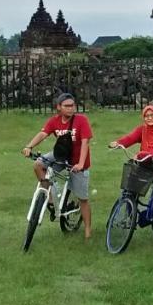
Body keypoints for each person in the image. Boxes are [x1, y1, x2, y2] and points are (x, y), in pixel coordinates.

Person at [21, 93, 93, 239]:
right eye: (66, 106)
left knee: (82, 199)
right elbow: (43, 134)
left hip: (78, 160)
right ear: (58, 107)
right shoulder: (54, 121)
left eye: (72, 105)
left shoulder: (81, 120)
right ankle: (51, 199)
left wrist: (80, 164)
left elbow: (85, 142)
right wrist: (29, 146)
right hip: (60, 155)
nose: (70, 108)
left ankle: (87, 231)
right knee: (38, 164)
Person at [108, 104, 153, 207]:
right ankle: (130, 215)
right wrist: (118, 143)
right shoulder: (143, 129)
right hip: (147, 165)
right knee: (130, 189)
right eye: (146, 116)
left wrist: (140, 154)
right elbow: (130, 138)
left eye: (152, 115)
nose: (149, 118)